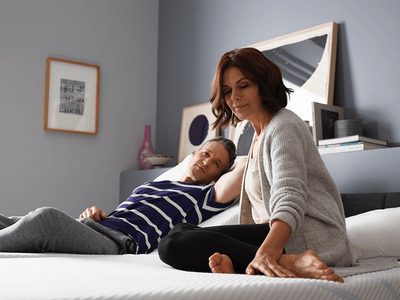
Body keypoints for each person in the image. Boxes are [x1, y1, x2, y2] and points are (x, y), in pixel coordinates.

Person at [158, 48, 353, 283]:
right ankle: (279, 263)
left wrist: (268, 251)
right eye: (228, 91)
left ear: (263, 83)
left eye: (243, 85)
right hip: (275, 236)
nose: (234, 98)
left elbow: (290, 196)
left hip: (305, 237)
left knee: (174, 244)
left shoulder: (283, 126)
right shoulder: (258, 135)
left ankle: (282, 260)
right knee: (178, 233)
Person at [0, 137, 244, 255]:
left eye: (216, 163)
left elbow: (242, 171)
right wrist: (95, 214)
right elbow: (123, 215)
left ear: (219, 175)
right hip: (98, 226)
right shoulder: (152, 185)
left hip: (118, 242)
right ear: (193, 154)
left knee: (44, 219)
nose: (206, 162)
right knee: (8, 219)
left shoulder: (204, 196)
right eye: (205, 154)